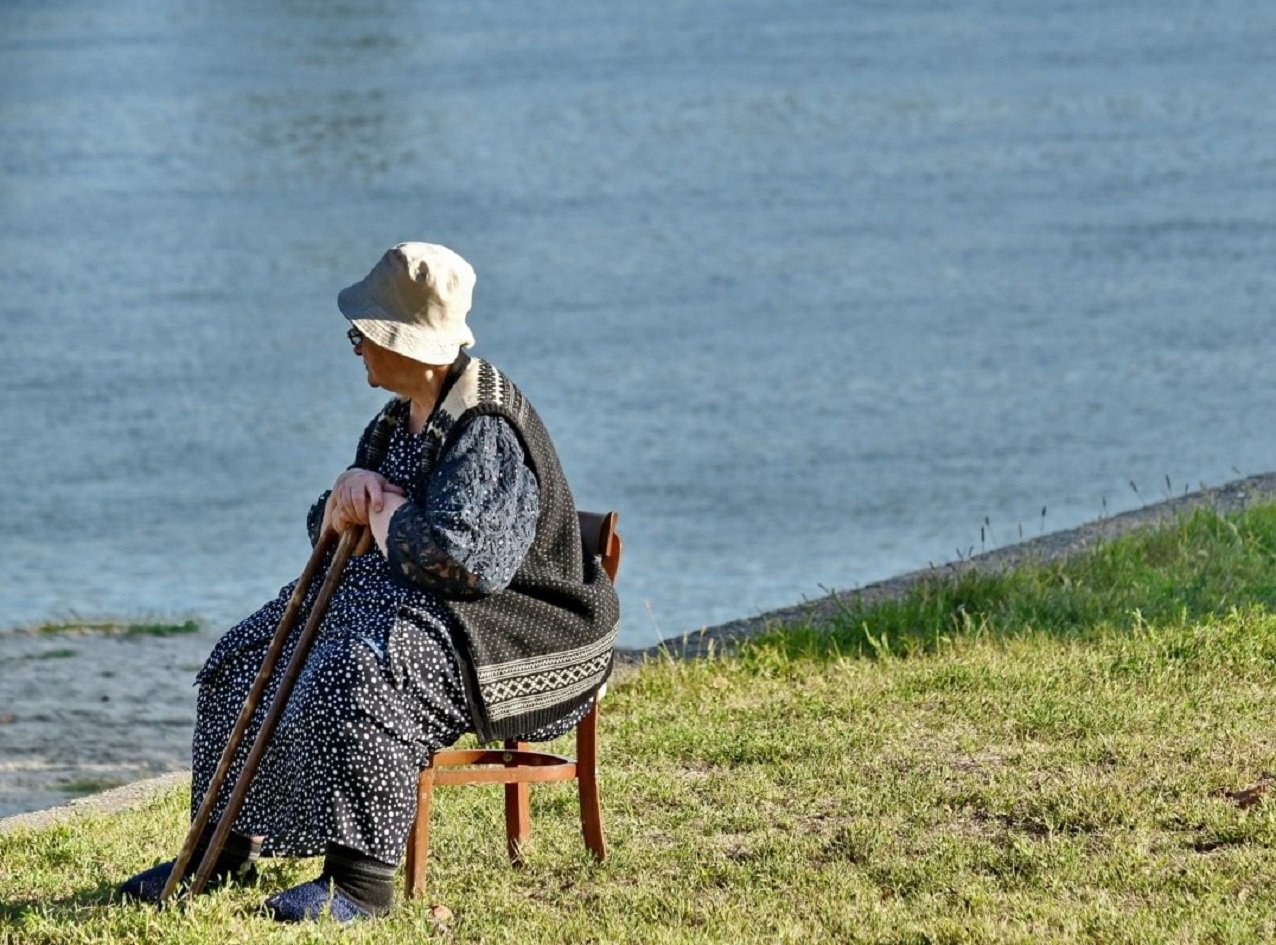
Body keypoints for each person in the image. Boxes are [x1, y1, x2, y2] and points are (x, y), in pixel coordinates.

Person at [118, 242, 620, 922]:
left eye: (363, 334)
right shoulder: (396, 417)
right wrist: (340, 501)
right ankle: (220, 845)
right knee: (242, 654)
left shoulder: (485, 427)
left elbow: (467, 566)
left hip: (515, 625)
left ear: (404, 343)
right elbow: (347, 539)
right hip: (426, 602)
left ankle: (359, 882)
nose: (355, 346)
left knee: (362, 671)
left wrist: (384, 510)